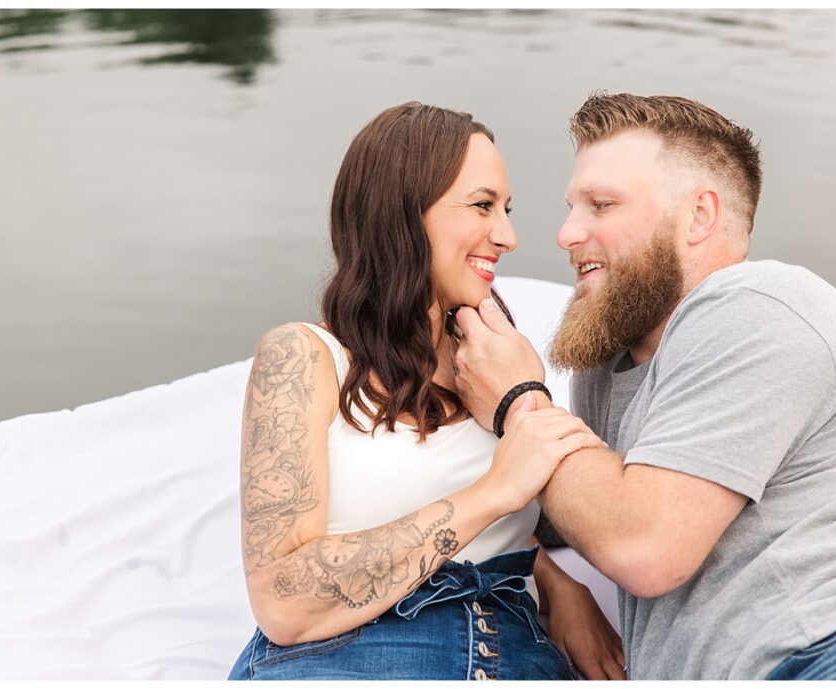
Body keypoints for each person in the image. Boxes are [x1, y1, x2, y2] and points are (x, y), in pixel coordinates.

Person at [450, 92, 836, 680]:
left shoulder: (760, 303)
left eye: (601, 204)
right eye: (572, 206)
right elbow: (587, 502)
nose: (567, 233)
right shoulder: (608, 367)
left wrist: (518, 399)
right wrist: (552, 579)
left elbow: (646, 548)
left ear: (700, 215)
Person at [228, 101, 625, 681]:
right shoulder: (305, 358)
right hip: (352, 658)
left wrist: (556, 583)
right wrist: (495, 490)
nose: (508, 235)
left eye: (506, 210)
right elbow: (283, 603)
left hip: (514, 650)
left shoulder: (493, 358)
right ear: (404, 214)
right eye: (483, 206)